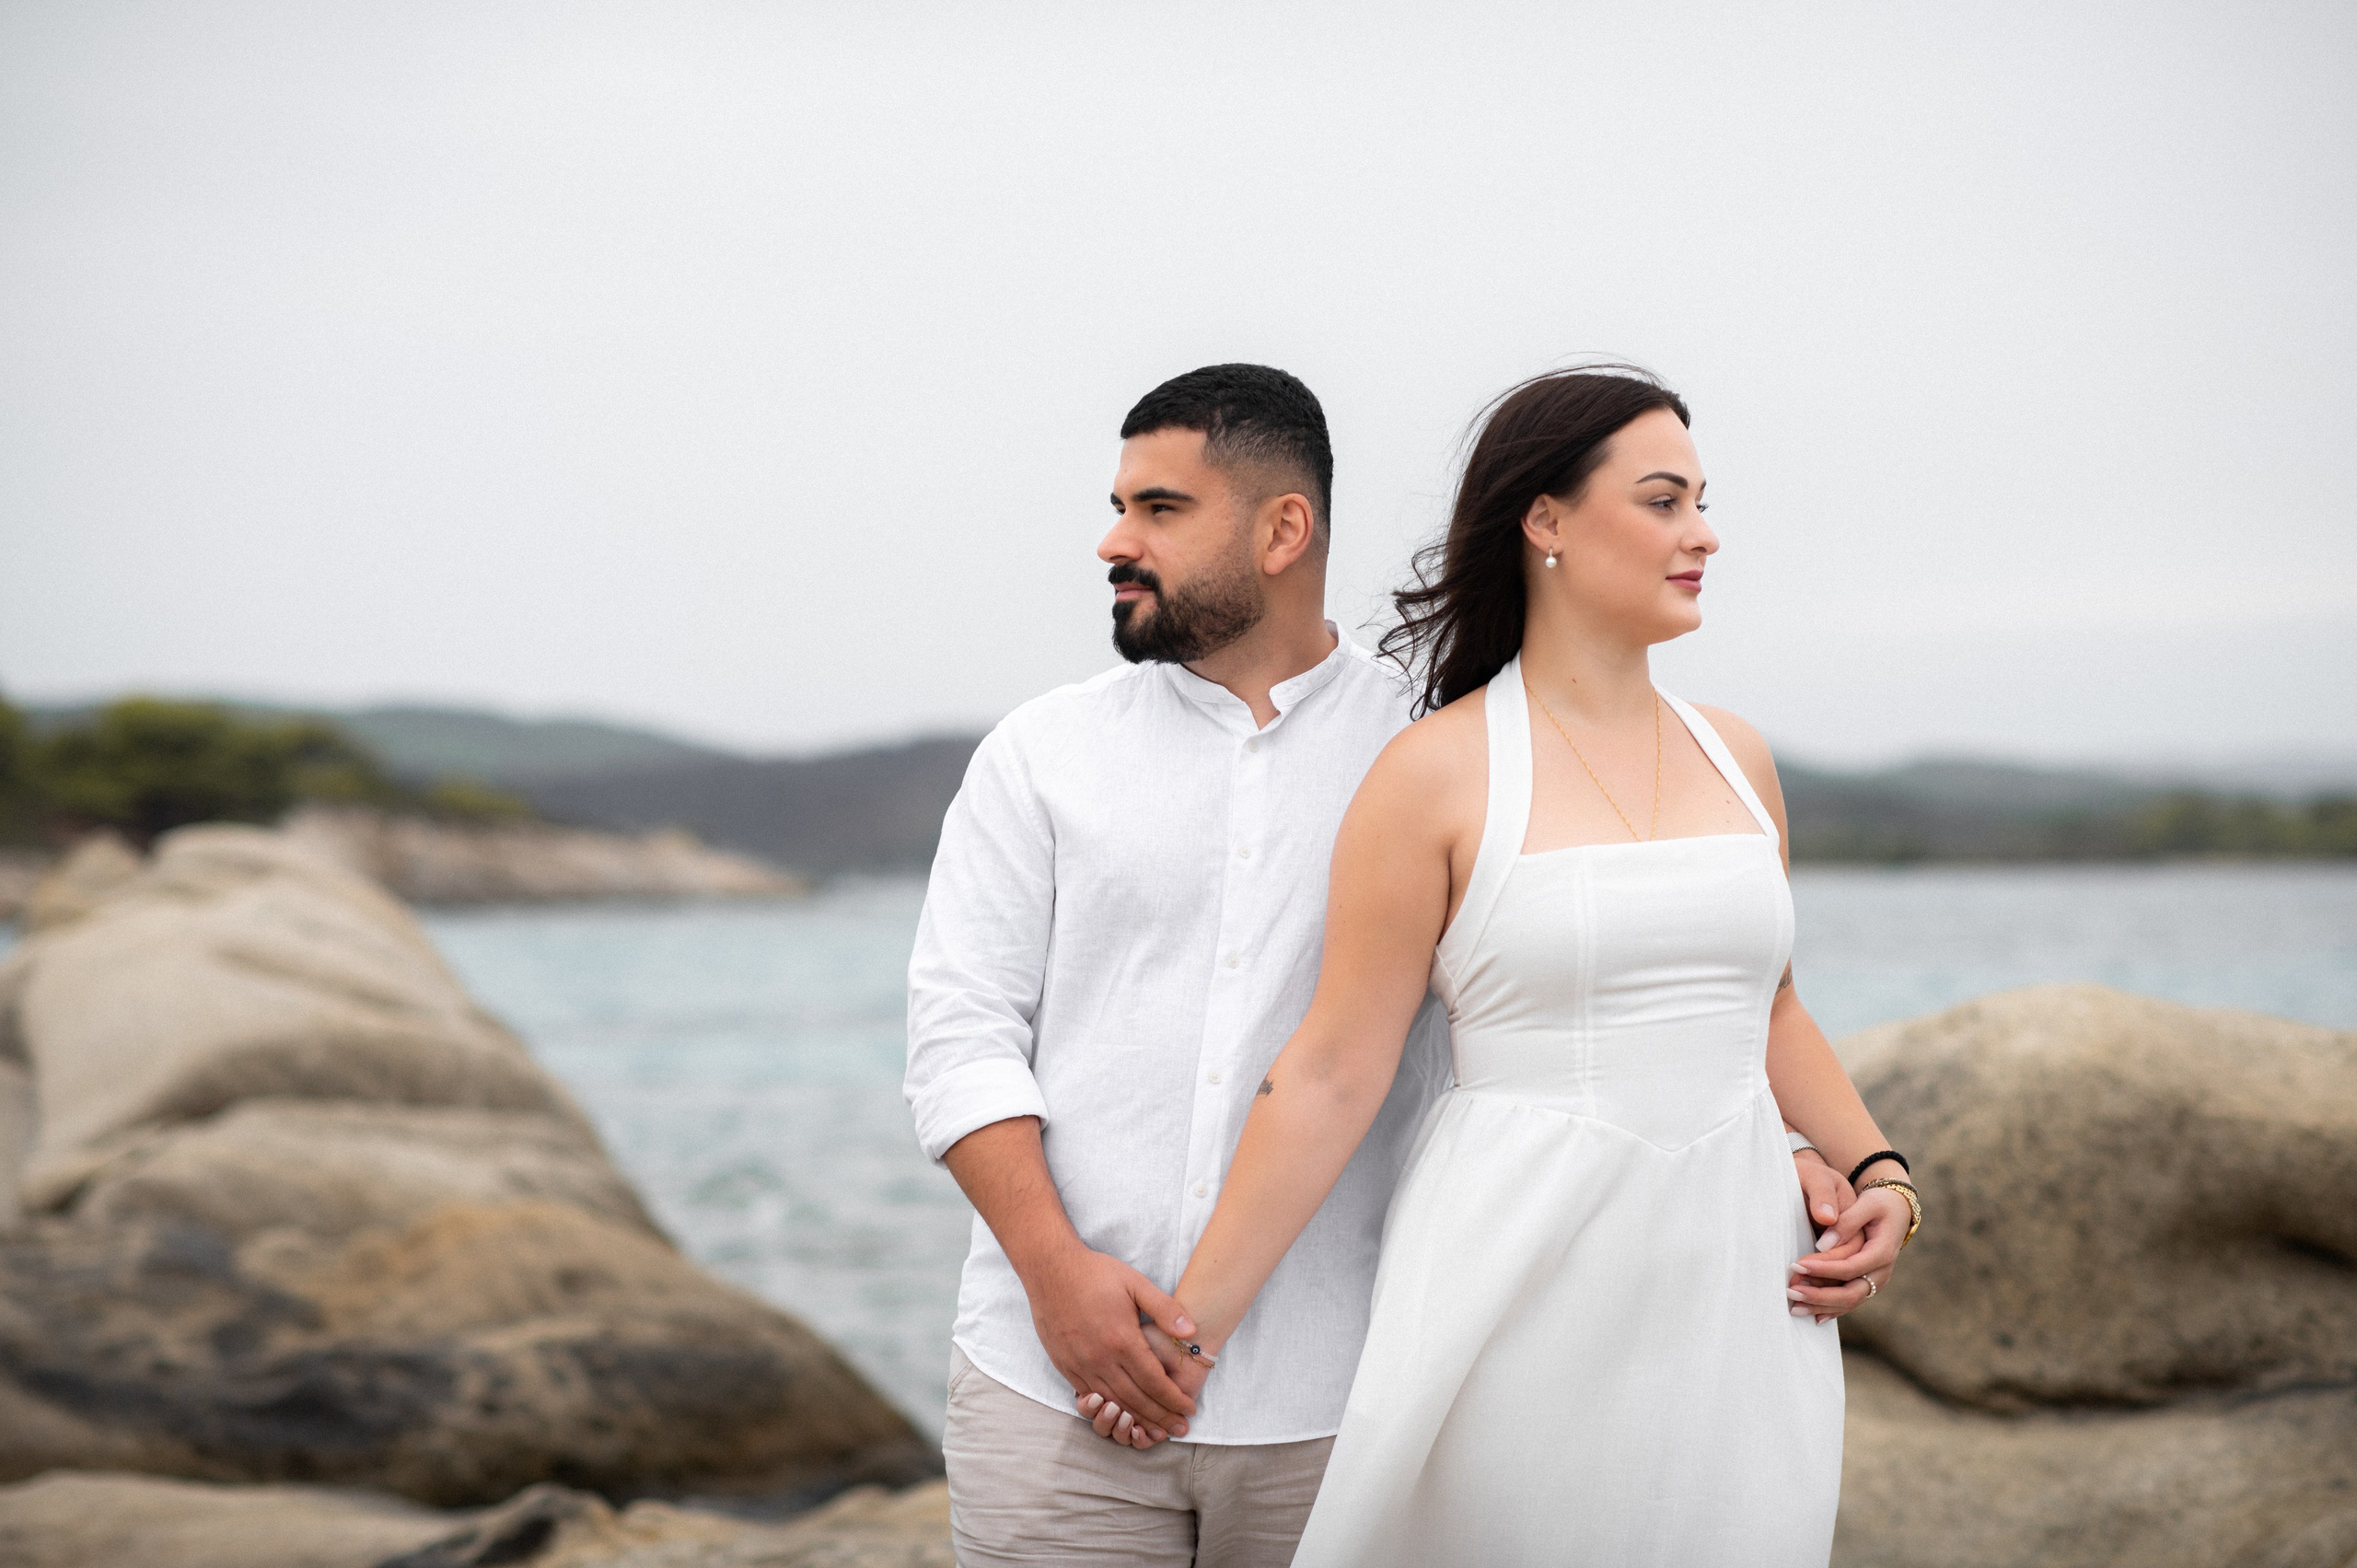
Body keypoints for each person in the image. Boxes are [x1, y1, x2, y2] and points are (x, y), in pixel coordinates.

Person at [905, 363, 1866, 1567]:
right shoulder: (1038, 757)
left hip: (1340, 1395)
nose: (1115, 541)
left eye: (1158, 509)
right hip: (1050, 1387)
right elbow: (961, 1042)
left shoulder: (1436, 741)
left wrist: (1817, 1154)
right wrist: (1058, 1283)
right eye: (1121, 506)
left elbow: (1640, 979)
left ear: (1282, 529)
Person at [1155, 366, 1919, 1566]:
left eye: (1703, 503)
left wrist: (1881, 1169)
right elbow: (1334, 1072)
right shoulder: (1435, 774)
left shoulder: (1740, 756)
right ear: (1545, 521)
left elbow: (1768, 1003)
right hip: (1521, 1272)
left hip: (1739, 1277)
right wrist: (1184, 1339)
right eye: (1664, 501)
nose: (1703, 534)